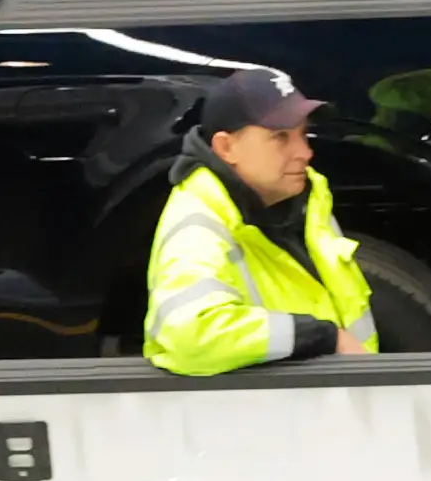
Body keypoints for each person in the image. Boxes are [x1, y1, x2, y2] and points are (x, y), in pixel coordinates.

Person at [142, 66, 379, 373]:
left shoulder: (303, 200)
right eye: (280, 137)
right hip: (268, 415)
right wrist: (322, 336)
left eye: (302, 134)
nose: (304, 152)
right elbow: (192, 334)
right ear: (226, 148)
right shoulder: (197, 226)